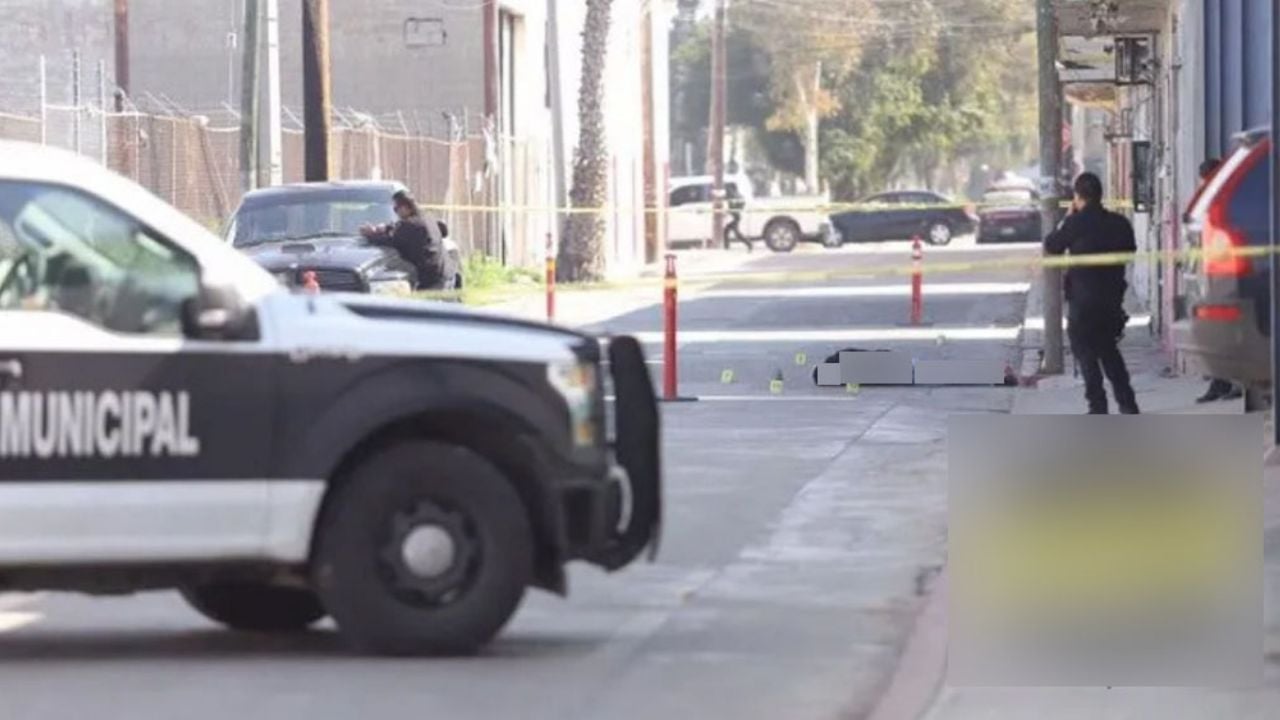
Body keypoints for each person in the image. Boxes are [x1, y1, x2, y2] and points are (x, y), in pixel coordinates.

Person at [1045, 172, 1140, 415]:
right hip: (1111, 300)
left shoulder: (1074, 223)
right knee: (1109, 352)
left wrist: (1068, 219)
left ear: (1078, 197)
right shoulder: (1119, 223)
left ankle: (1097, 407)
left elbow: (1052, 245)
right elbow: (1130, 252)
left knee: (1086, 355)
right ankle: (1128, 404)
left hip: (1083, 301)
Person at [1189, 158, 1244, 403]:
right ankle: (1221, 381)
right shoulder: (1213, 201)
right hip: (1216, 273)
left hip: (1230, 275)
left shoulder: (1231, 199)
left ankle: (1235, 381)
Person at [360, 190, 444, 290]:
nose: (396, 212)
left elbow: (390, 241)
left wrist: (370, 235)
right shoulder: (426, 216)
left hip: (430, 279)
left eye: (396, 209)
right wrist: (386, 228)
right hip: (441, 271)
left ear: (406, 207)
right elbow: (444, 229)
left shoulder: (409, 225)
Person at [724, 183, 753, 252]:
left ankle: (749, 244)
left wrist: (735, 209)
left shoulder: (735, 195)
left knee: (737, 234)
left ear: (732, 188)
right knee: (726, 230)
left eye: (729, 188)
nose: (727, 190)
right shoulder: (732, 195)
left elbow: (740, 204)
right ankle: (726, 246)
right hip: (734, 216)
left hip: (735, 217)